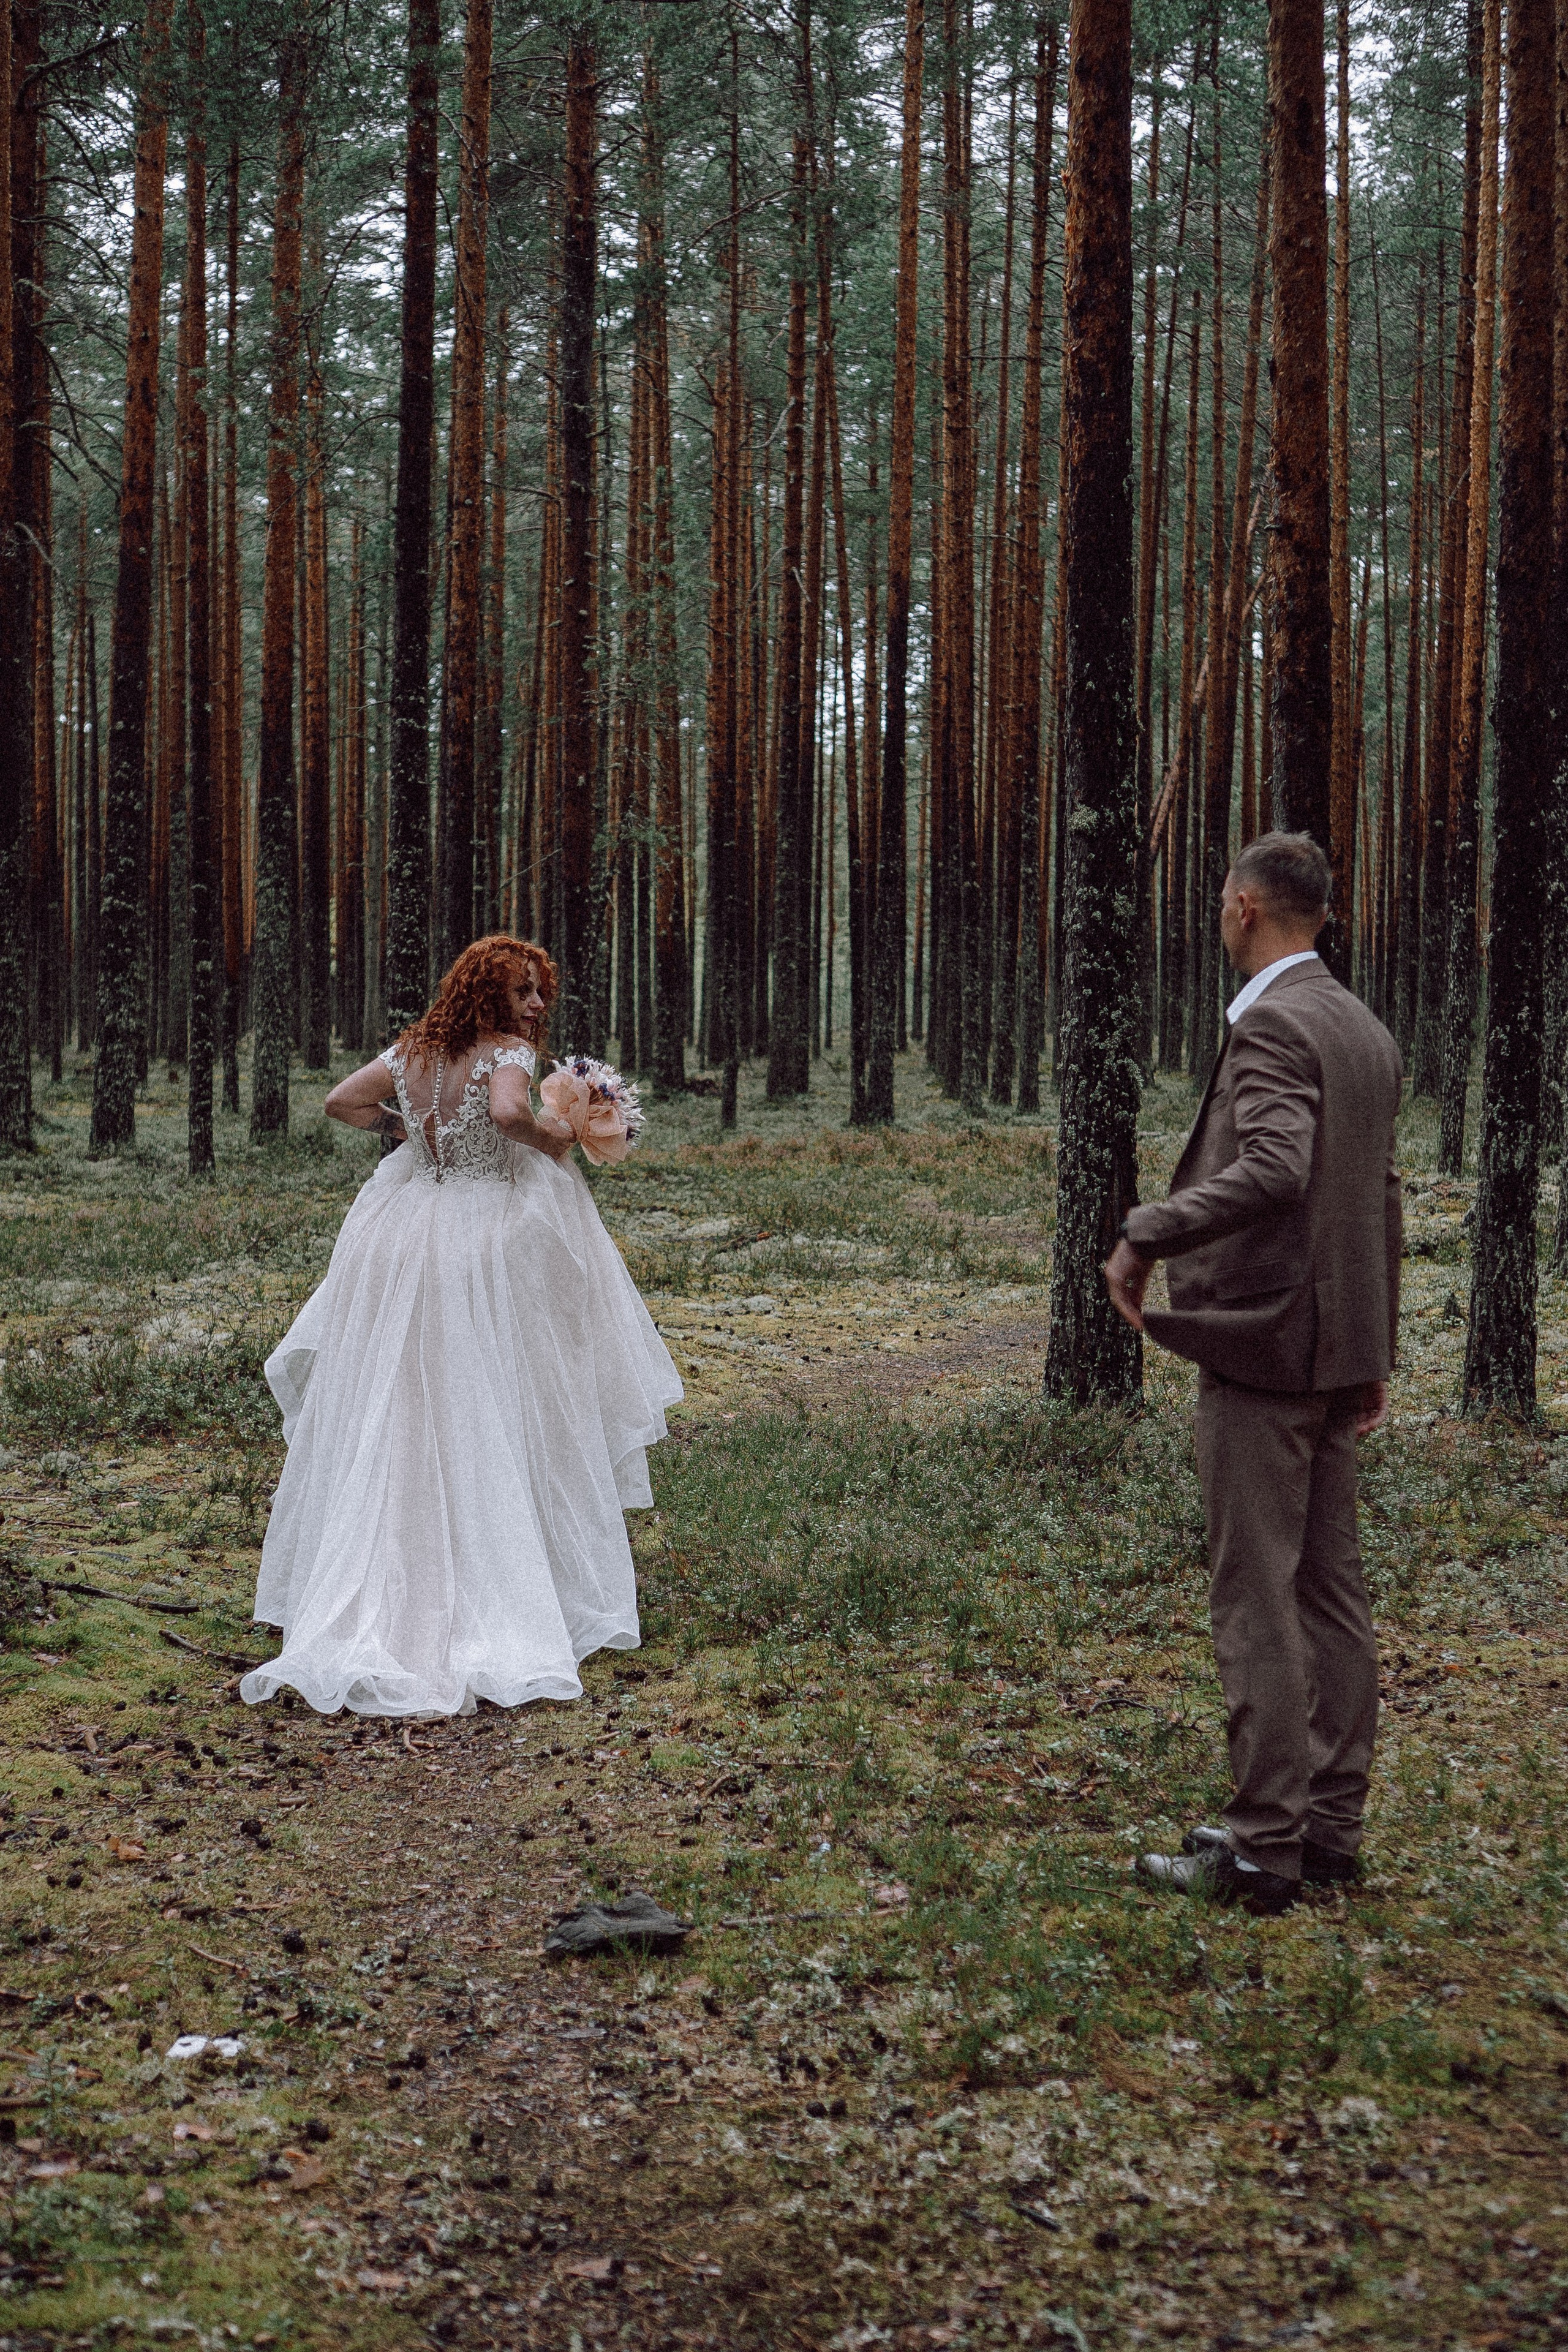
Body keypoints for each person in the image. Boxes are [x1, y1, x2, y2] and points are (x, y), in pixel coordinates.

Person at [241, 936, 682, 1719]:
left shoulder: (411, 1051)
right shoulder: (507, 1053)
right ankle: (487, 1581)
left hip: (405, 1229)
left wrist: (406, 1131)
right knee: (484, 1393)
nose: (536, 1005)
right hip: (479, 1236)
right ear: (487, 994)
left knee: (402, 1399)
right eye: (522, 991)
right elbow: (509, 1112)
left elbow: (341, 1101)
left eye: (539, 990)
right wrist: (555, 1137)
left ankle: (388, 1571)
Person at [1102, 832, 1402, 1917]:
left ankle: (1265, 1846)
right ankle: (1328, 1832)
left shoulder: (1275, 1023)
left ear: (1243, 907)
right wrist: (1372, 1352)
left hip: (1269, 1346)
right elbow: (1379, 1195)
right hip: (1330, 1347)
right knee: (1329, 1591)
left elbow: (1278, 1168)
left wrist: (1149, 1230)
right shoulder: (1360, 1025)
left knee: (1255, 1594)